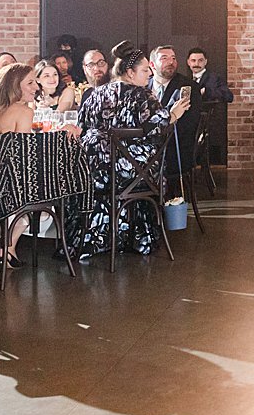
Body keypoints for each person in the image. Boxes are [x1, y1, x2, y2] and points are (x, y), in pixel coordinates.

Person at [78, 42, 191, 257]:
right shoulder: (142, 95)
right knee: (153, 163)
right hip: (132, 172)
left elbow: (82, 125)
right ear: (130, 72)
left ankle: (99, 239)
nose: (149, 75)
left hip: (95, 171)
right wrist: (174, 113)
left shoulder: (96, 93)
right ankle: (137, 236)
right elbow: (158, 126)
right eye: (145, 70)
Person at [0, 62, 46, 270]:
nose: (36, 87)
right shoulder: (23, 112)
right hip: (4, 180)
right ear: (15, 85)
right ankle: (6, 250)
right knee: (42, 200)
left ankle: (8, 250)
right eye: (31, 83)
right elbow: (22, 155)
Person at [150, 46, 199, 182]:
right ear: (152, 64)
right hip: (147, 146)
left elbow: (188, 126)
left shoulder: (188, 87)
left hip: (173, 148)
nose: (171, 62)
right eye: (164, 58)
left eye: (173, 58)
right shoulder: (143, 88)